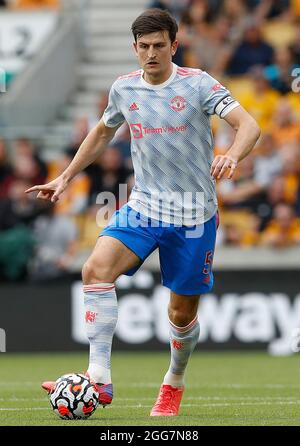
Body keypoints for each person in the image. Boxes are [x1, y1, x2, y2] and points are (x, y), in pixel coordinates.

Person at [25, 8, 260, 417]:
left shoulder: (199, 84)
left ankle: (174, 381)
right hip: (145, 205)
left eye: (159, 45)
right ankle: (99, 377)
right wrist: (65, 177)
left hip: (193, 214)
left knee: (180, 315)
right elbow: (102, 132)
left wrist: (233, 155)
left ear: (174, 45)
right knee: (95, 270)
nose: (152, 53)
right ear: (134, 48)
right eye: (144, 46)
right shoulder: (124, 89)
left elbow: (249, 125)